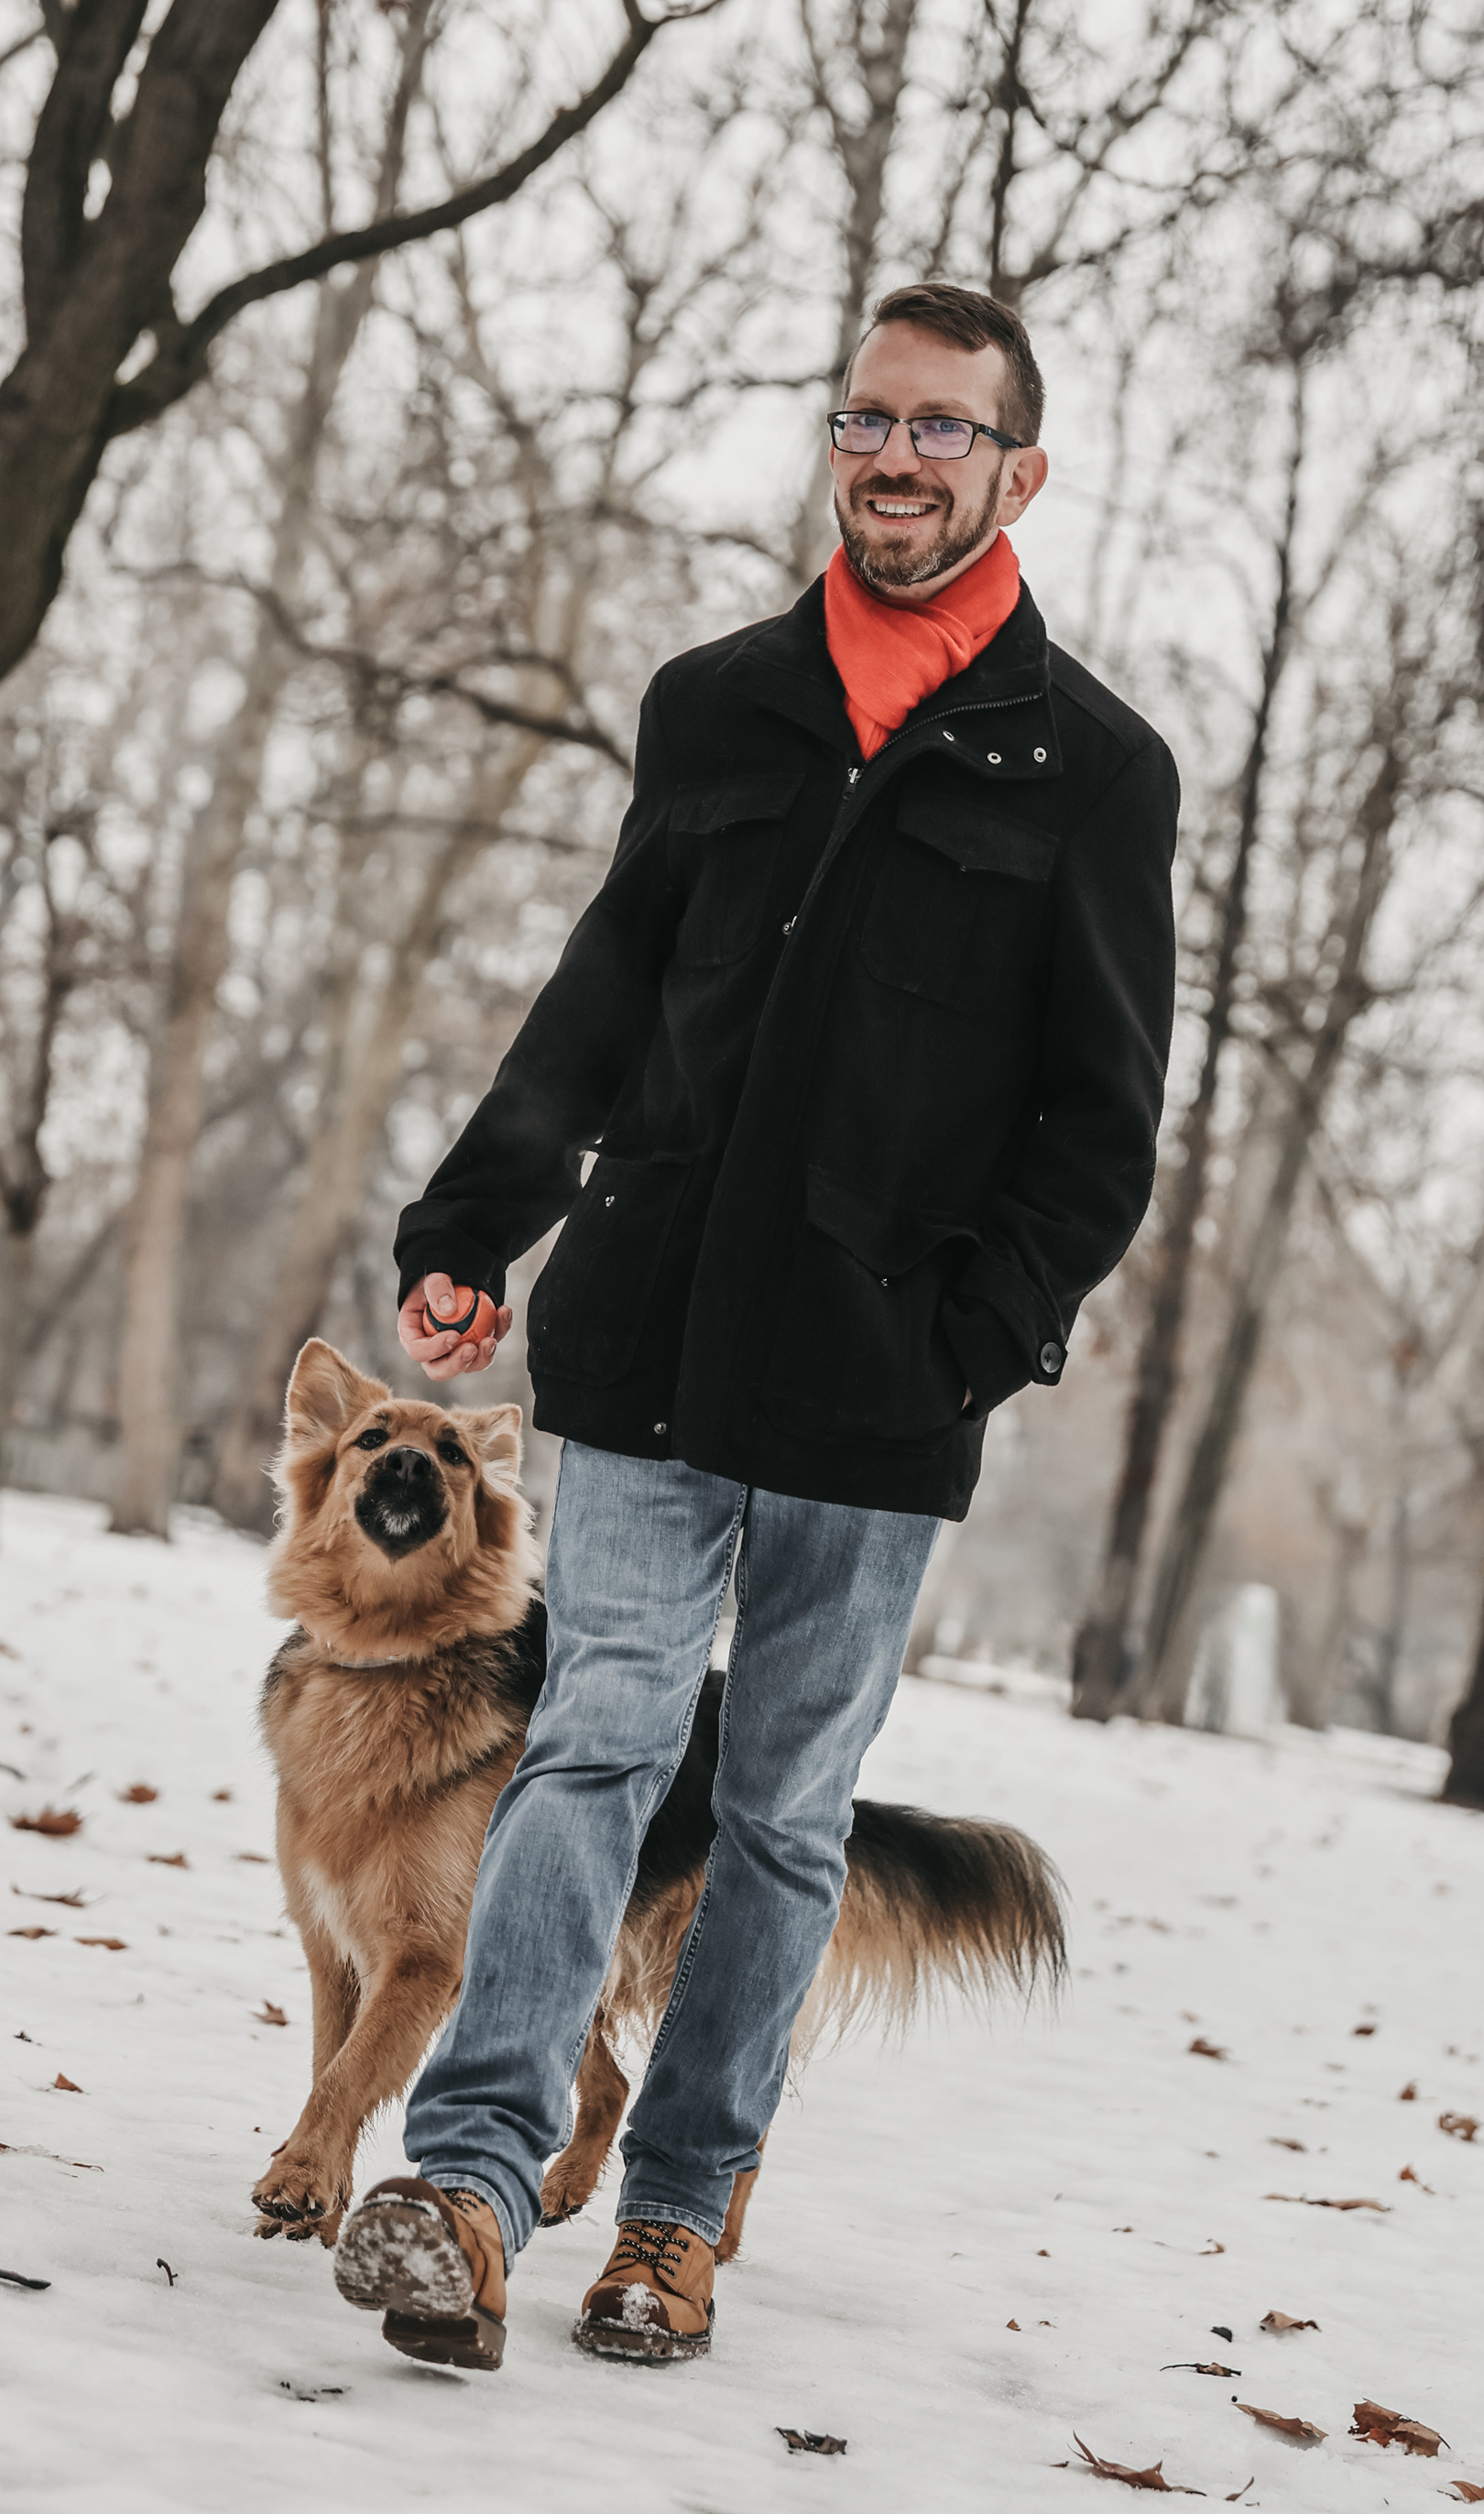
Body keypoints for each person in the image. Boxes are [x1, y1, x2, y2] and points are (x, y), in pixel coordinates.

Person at [332, 282, 1179, 2367]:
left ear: (1019, 473)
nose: (895, 457)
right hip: (650, 1336)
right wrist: (484, 1215)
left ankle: (679, 2218)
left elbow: (1101, 1130)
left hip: (878, 1391)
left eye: (943, 428)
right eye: (867, 418)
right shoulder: (718, 703)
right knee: (593, 1744)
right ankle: (469, 2184)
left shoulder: (1093, 773)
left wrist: (963, 1343)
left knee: (785, 1818)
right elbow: (612, 985)